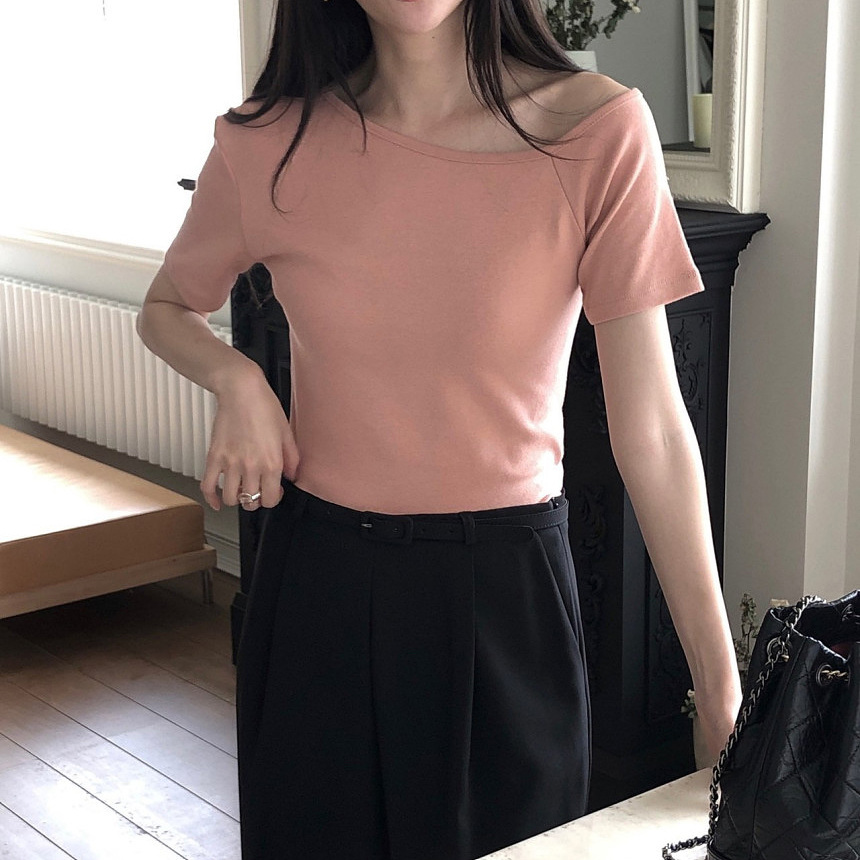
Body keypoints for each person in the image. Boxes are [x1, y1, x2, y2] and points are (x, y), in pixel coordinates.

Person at [137, 0, 743, 857]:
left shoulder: (597, 131)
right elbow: (166, 307)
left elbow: (653, 428)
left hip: (506, 596)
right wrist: (238, 379)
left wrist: (718, 688)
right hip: (318, 589)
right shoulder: (268, 140)